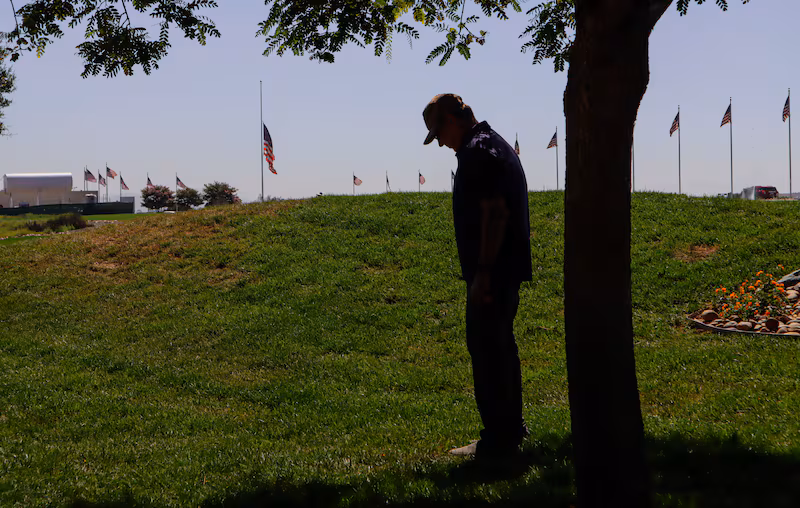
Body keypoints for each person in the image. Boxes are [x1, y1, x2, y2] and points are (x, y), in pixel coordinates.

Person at [422, 93, 533, 460]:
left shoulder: (477, 153)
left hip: (493, 274)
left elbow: (495, 214)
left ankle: (498, 441)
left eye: (438, 131)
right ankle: (510, 432)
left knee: (487, 352)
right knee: (500, 349)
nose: (438, 141)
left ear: (455, 119)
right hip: (502, 272)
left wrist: (483, 274)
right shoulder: (492, 144)